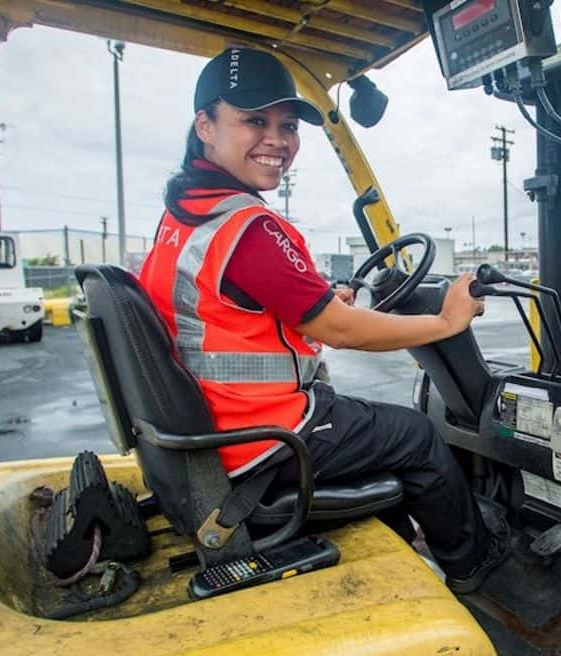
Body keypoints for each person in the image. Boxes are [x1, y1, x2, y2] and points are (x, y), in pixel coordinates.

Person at [138, 48, 507, 593]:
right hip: (264, 439)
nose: (278, 140)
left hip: (211, 432)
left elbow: (229, 313)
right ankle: (474, 562)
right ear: (205, 126)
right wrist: (447, 321)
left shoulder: (184, 217)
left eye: (287, 126)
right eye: (254, 121)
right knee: (417, 436)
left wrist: (318, 302)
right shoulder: (250, 229)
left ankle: (404, 541)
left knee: (380, 431)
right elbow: (339, 330)